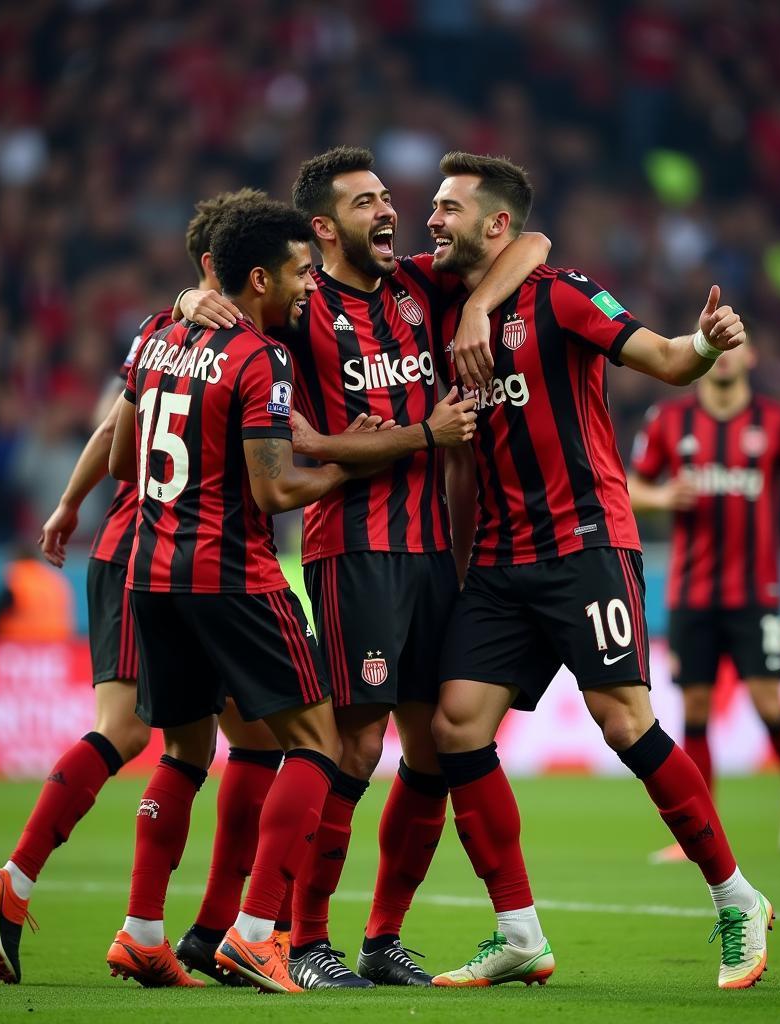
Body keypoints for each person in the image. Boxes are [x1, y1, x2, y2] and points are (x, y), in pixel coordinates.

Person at [176, 145, 549, 989]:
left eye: (388, 197)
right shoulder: (302, 307)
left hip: (432, 554)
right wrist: (191, 297)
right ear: (322, 227)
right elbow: (227, 306)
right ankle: (305, 940)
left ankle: (383, 938)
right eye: (366, 202)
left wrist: (480, 307)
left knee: (429, 747)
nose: (389, 211)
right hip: (353, 549)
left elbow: (535, 245)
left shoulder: (420, 288)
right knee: (357, 742)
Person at [423, 153, 772, 991]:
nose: (431, 220)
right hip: (504, 559)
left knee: (624, 722)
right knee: (457, 725)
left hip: (585, 543)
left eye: (448, 208)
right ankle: (518, 932)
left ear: (495, 224)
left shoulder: (564, 293)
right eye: (430, 206)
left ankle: (736, 899)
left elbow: (660, 354)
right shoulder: (441, 307)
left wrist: (703, 344)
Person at [0, 192, 284, 988]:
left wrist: (71, 503)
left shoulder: (162, 333)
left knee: (216, 741)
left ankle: (162, 927)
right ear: (226, 270)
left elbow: (117, 432)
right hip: (173, 553)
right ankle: (45, 883)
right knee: (150, 735)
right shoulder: (236, 342)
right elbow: (120, 437)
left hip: (133, 542)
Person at [106, 193, 374, 995]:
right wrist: (349, 462)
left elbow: (124, 460)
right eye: (300, 272)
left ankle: (142, 933)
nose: (311, 286)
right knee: (318, 741)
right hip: (232, 576)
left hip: (151, 575)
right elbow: (273, 491)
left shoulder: (157, 334)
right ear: (258, 277)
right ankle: (257, 934)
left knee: (186, 751)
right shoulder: (264, 358)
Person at [628, 338, 780, 860]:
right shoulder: (668, 421)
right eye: (716, 345)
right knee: (695, 709)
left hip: (756, 593)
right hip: (692, 593)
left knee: (767, 702)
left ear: (752, 356)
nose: (725, 354)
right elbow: (627, 485)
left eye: (736, 346)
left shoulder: (777, 421)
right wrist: (661, 497)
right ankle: (702, 831)